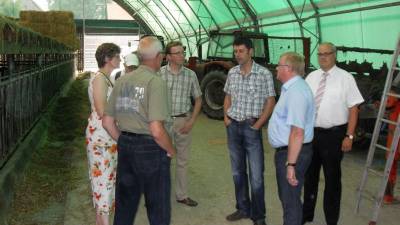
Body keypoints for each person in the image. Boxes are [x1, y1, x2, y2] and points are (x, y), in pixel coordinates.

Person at [102, 36, 175, 225]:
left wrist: (125, 141)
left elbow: (107, 122)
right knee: (157, 206)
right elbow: (157, 130)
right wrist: (170, 149)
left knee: (125, 206)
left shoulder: (121, 81)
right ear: (159, 57)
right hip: (151, 148)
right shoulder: (155, 82)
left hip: (126, 146)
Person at [302, 42, 364, 225]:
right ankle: (307, 215)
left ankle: (331, 220)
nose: (323, 57)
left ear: (334, 55)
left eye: (327, 54)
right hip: (311, 134)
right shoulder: (311, 77)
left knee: (332, 180)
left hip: (334, 136)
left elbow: (354, 109)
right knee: (309, 177)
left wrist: (349, 136)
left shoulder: (346, 78)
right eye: (320, 54)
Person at [223, 36, 276, 225]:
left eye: (241, 51)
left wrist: (258, 124)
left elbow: (270, 101)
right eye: (235, 51)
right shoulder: (232, 73)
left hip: (251, 127)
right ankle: (242, 208)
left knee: (256, 176)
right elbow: (228, 96)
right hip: (233, 126)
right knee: (237, 172)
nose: (237, 54)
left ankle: (259, 216)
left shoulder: (264, 74)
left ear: (250, 51)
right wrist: (226, 117)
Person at [267, 52, 315, 225]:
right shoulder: (292, 88)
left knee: (290, 202)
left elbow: (297, 132)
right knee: (289, 198)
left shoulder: (296, 92)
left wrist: (291, 165)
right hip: (289, 151)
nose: (276, 68)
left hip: (293, 153)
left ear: (288, 68)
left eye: (279, 65)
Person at [159, 41, 202, 207]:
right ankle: (159, 195)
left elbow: (198, 99)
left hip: (183, 121)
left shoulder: (190, 75)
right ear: (168, 57)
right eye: (177, 53)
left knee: (183, 160)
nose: (182, 55)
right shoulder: (159, 74)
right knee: (163, 160)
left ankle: (182, 195)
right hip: (163, 122)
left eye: (182, 52)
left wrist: (191, 121)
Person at [85, 42, 121, 225]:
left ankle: (102, 221)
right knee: (103, 181)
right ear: (108, 58)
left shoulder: (107, 79)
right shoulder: (100, 79)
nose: (120, 59)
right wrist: (120, 137)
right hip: (102, 136)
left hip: (107, 136)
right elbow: (101, 111)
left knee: (106, 181)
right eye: (117, 56)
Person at [383, 88, 400, 204]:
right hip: (394, 137)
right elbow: (387, 106)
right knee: (391, 166)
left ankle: (388, 196)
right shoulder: (394, 106)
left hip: (395, 138)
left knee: (391, 166)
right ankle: (388, 196)